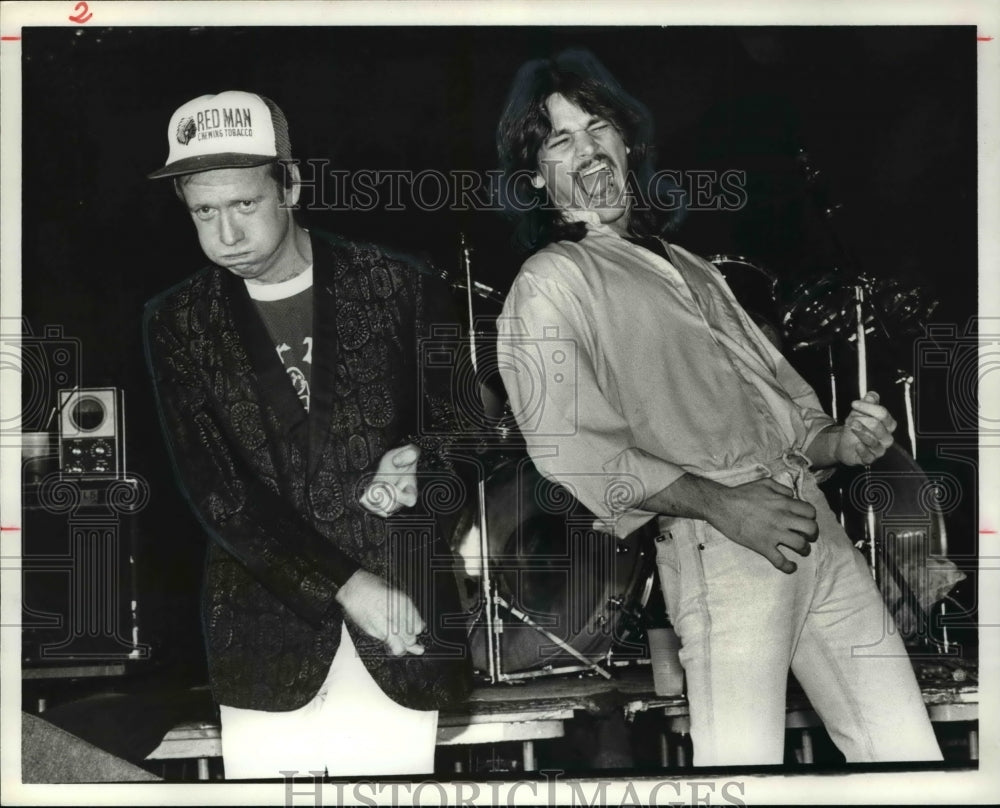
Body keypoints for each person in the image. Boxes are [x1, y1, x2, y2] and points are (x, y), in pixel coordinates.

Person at [495, 50, 942, 766]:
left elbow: (789, 412)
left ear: (626, 141)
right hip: (722, 545)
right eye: (560, 139)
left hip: (817, 533)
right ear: (536, 177)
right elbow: (568, 446)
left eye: (598, 126)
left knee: (908, 757)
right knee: (744, 769)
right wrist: (723, 505)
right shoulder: (552, 280)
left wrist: (842, 444)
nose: (588, 149)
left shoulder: (693, 266)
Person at [143, 91, 471, 778]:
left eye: (245, 205)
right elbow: (219, 493)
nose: (226, 234)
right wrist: (348, 585)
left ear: (290, 184)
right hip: (264, 641)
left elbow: (464, 438)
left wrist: (426, 471)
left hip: (401, 636)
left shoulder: (401, 286)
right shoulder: (177, 321)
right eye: (205, 211)